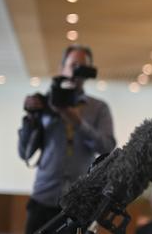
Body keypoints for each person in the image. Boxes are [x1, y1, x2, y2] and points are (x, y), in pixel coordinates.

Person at [19, 45, 116, 234]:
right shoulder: (44, 103)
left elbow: (108, 148)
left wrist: (78, 122)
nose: (76, 71)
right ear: (62, 67)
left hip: (79, 202)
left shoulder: (98, 108)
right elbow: (25, 153)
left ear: (88, 71)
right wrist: (30, 120)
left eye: (82, 66)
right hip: (43, 198)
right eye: (73, 65)